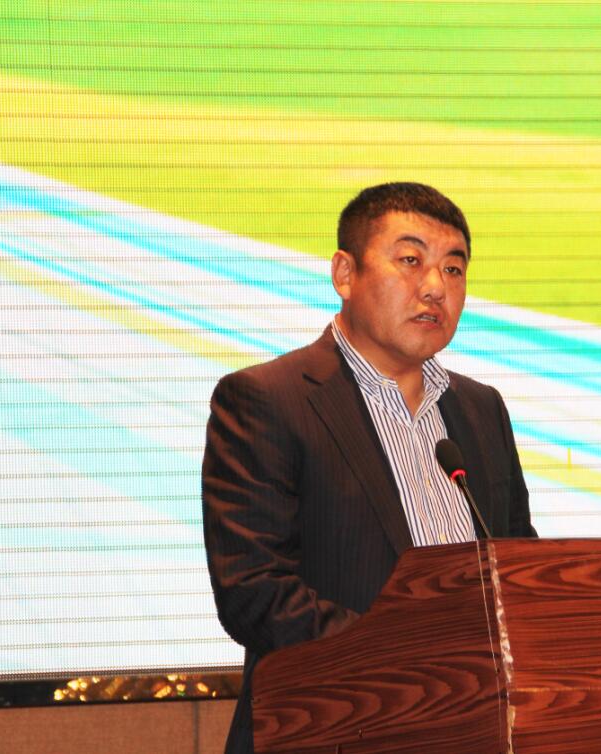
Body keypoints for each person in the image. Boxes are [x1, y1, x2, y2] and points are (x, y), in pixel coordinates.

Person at [201, 182, 536, 754]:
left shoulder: (481, 409)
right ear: (345, 273)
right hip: (326, 730)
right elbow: (255, 592)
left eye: (453, 269)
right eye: (410, 260)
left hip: (472, 731)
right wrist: (418, 665)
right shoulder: (267, 400)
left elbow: (518, 566)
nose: (435, 287)